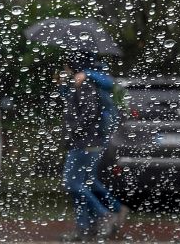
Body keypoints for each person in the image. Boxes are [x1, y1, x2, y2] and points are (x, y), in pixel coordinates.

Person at [60, 53, 117, 242]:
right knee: (80, 186)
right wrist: (62, 86)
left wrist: (73, 133)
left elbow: (89, 113)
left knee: (72, 183)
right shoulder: (79, 83)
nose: (64, 68)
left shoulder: (86, 84)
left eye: (66, 64)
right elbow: (72, 104)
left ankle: (104, 214)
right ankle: (83, 228)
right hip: (85, 141)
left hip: (85, 143)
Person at [83, 61, 130, 230]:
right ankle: (95, 219)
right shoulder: (85, 78)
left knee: (87, 179)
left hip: (98, 134)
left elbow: (109, 83)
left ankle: (110, 211)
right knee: (87, 179)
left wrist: (87, 73)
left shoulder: (95, 73)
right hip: (92, 134)